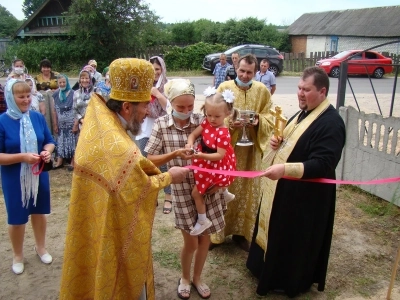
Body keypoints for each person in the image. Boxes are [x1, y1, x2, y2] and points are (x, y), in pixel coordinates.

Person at [59, 58, 189, 300]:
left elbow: (136, 168)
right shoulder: (119, 146)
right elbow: (138, 186)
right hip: (115, 232)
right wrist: (170, 176)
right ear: (127, 107)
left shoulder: (102, 124)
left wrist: (171, 155)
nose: (148, 111)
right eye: (144, 106)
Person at [246, 67, 346, 298]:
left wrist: (284, 168)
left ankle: (287, 280)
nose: (300, 94)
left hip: (307, 197)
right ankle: (265, 269)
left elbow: (323, 164)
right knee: (277, 231)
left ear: (322, 91)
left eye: (306, 90)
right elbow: (290, 141)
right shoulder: (304, 112)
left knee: (294, 240)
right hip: (286, 189)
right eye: (299, 88)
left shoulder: (331, 123)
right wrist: (275, 144)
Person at [145, 79, 226, 299]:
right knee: (190, 241)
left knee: (205, 239)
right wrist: (174, 154)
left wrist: (219, 180)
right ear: (170, 102)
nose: (186, 111)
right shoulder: (161, 125)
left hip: (206, 188)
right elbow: (150, 157)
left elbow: (223, 145)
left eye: (190, 106)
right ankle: (185, 278)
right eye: (180, 107)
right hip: (180, 191)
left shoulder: (202, 121)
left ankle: (198, 277)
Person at [211, 54, 274, 252]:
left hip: (250, 152)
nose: (245, 75)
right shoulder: (224, 88)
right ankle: (216, 234)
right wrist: (229, 123)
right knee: (221, 188)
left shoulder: (262, 91)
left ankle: (241, 233)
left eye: (249, 72)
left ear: (256, 72)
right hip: (227, 150)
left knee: (246, 192)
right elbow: (212, 115)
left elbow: (269, 115)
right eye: (242, 71)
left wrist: (258, 123)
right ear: (236, 69)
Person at [0, 79, 55, 275]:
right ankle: (17, 255)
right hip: (14, 177)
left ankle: (40, 247)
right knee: (17, 218)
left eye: (28, 96)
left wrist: (47, 151)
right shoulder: (3, 121)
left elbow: (49, 141)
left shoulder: (37, 117)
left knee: (39, 212)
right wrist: (23, 157)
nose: (25, 100)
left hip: (38, 174)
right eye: (20, 96)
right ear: (10, 97)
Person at [185, 87, 237, 236]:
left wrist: (200, 156)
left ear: (227, 114)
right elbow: (194, 134)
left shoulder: (223, 133)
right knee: (213, 184)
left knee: (197, 193)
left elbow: (220, 156)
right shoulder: (207, 122)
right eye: (209, 115)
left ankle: (203, 220)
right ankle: (225, 192)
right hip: (206, 159)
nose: (212, 119)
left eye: (217, 116)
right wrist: (189, 143)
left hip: (214, 162)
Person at [135, 56, 172, 214]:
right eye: (152, 69)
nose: (155, 72)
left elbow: (170, 108)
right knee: (147, 164)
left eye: (157, 69)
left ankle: (169, 197)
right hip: (144, 129)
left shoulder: (168, 85)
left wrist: (157, 94)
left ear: (162, 69)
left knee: (164, 164)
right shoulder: (143, 85)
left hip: (163, 130)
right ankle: (152, 195)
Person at [52, 74, 76, 169]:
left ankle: (73, 162)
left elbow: (76, 109)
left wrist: (75, 124)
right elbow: (54, 111)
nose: (62, 84)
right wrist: (55, 124)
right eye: (60, 82)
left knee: (73, 142)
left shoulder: (73, 93)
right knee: (61, 142)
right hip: (61, 124)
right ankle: (59, 161)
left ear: (67, 82)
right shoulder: (55, 95)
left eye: (64, 82)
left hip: (71, 123)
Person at [34, 59, 59, 136]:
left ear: (50, 68)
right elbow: (34, 90)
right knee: (46, 118)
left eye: (48, 67)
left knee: (55, 117)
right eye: (44, 67)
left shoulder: (56, 75)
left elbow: (63, 85)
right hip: (43, 100)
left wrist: (56, 90)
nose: (46, 69)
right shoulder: (37, 78)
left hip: (55, 98)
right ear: (41, 68)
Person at [72, 69, 97, 135]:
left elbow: (100, 108)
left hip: (95, 124)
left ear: (90, 79)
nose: (84, 80)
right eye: (82, 78)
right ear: (79, 80)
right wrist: (81, 120)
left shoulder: (96, 91)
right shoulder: (76, 93)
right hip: (82, 125)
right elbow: (74, 109)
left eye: (86, 78)